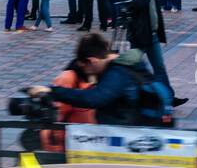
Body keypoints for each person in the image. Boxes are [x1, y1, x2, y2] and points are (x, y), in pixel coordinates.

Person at [28, 32, 167, 126]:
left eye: (85, 67)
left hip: (128, 139)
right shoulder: (120, 62)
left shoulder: (117, 74)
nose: (86, 74)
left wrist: (53, 91)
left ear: (92, 61)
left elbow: (93, 98)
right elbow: (78, 65)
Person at [40, 48, 96, 152]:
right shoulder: (68, 78)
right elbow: (58, 112)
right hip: (65, 143)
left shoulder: (91, 78)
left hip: (84, 141)